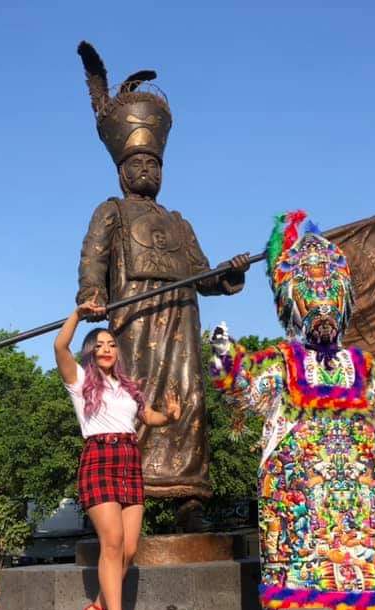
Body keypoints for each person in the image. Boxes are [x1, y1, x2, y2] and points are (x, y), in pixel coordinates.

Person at [208, 210, 375, 610]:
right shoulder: (286, 359)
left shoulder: (359, 364)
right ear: (296, 312)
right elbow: (251, 395)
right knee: (295, 492)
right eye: (313, 307)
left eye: (330, 308)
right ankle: (306, 601)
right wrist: (226, 361)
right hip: (304, 469)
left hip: (364, 467)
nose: (323, 317)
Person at [75, 41, 249, 514]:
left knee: (187, 398)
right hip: (133, 322)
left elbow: (202, 273)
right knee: (131, 400)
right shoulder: (110, 212)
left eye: (155, 164)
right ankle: (126, 493)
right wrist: (92, 294)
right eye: (139, 163)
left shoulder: (179, 222)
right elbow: (92, 260)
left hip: (180, 324)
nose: (148, 170)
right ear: (121, 170)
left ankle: (188, 495)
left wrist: (228, 274)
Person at [55, 296, 181, 610]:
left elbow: (148, 417)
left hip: (128, 458)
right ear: (91, 351)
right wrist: (78, 314)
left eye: (111, 344)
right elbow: (59, 345)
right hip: (99, 457)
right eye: (100, 344)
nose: (107, 348)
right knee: (110, 543)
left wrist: (169, 416)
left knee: (127, 550)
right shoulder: (80, 382)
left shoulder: (127, 387)